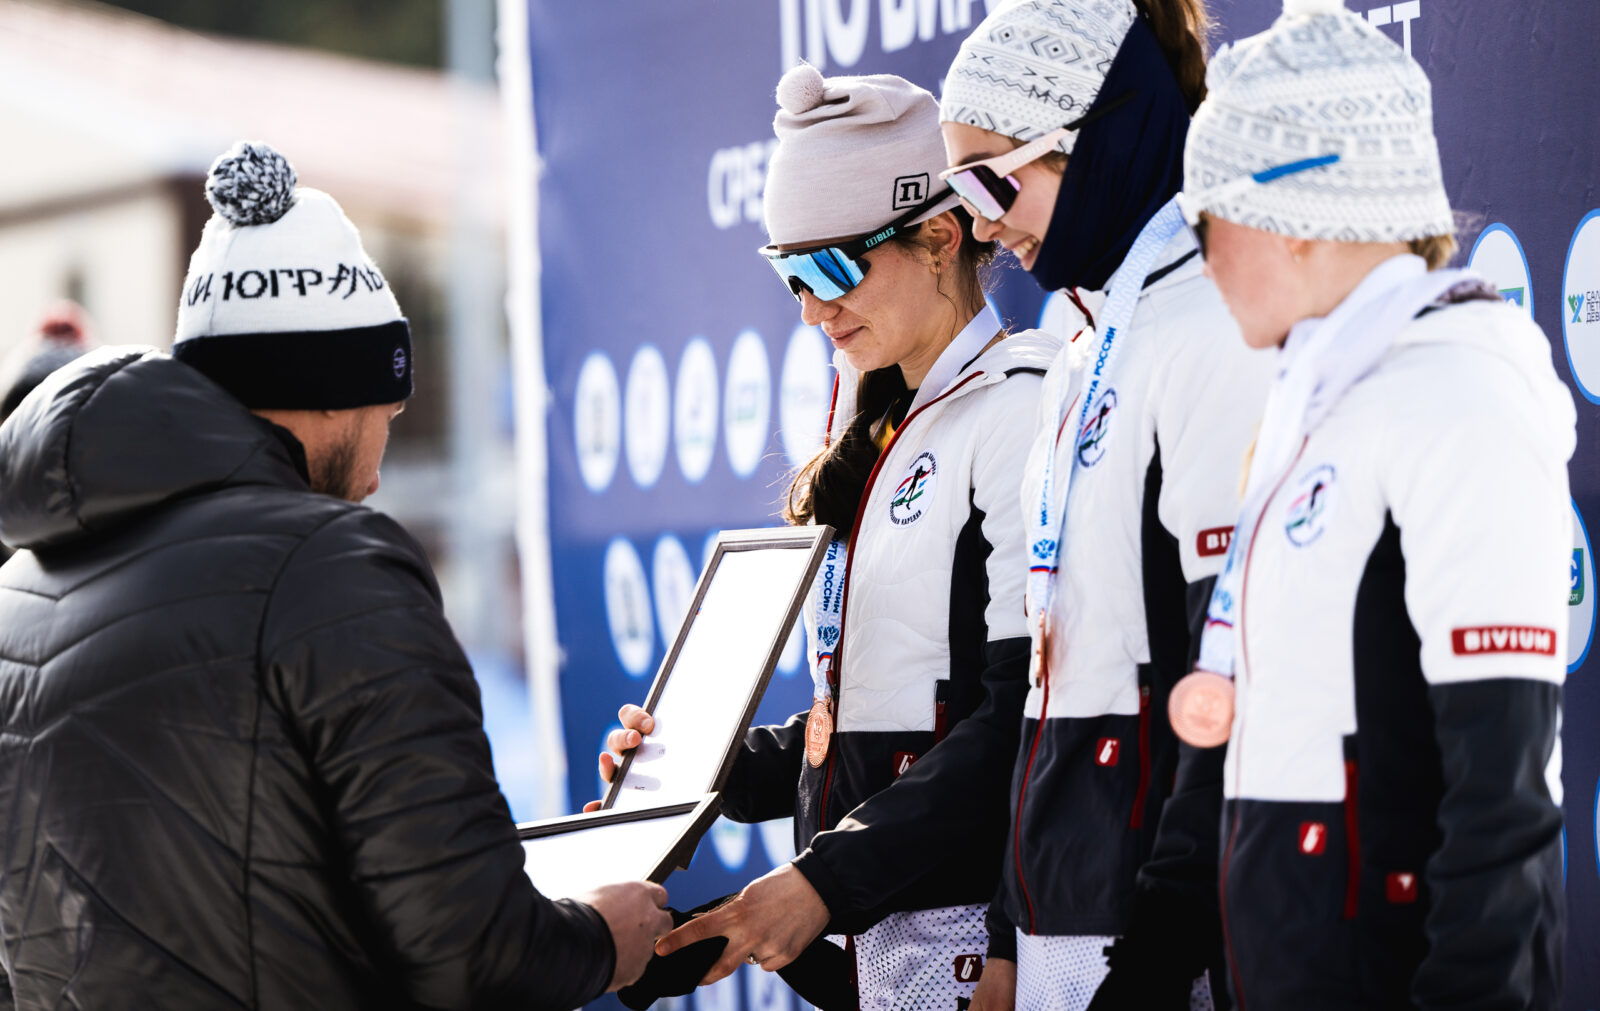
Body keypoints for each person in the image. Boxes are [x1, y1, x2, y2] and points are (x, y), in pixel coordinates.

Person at [0, 142, 671, 1011]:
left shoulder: (18, 592)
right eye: (389, 407)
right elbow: (475, 956)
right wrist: (602, 936)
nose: (379, 471)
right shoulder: (331, 568)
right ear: (326, 388)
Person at [600, 65, 1059, 1009]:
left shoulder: (1019, 405)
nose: (812, 309)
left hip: (975, 933)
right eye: (790, 275)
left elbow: (1022, 718)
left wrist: (822, 881)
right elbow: (871, 723)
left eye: (832, 270)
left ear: (940, 240)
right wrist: (701, 766)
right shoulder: (877, 424)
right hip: (876, 932)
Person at [1174, 0, 1569, 1005]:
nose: (1202, 257)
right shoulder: (1315, 401)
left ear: (1297, 212)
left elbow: (1504, 796)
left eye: (1205, 219)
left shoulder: (1459, 393)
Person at [935, 1, 1276, 1007]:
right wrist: (1007, 933)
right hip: (1063, 920)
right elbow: (1050, 688)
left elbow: (1234, 679)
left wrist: (1158, 957)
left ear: (1097, 137)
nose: (979, 224)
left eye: (990, 179)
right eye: (958, 191)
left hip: (1168, 941)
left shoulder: (1215, 324)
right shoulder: (1081, 347)